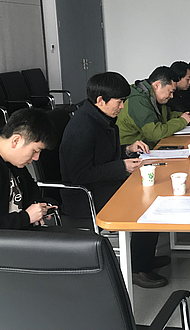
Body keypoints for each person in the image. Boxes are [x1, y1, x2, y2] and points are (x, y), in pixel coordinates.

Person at [60, 72, 169, 289]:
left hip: (101, 184)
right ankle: (138, 268)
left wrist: (127, 149)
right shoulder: (83, 127)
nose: (122, 106)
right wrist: (121, 167)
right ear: (101, 100)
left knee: (150, 190)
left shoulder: (101, 119)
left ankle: (144, 257)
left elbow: (102, 155)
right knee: (146, 200)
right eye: (119, 101)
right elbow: (79, 176)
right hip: (84, 196)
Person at [117, 66, 190, 148]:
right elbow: (154, 134)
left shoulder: (154, 97)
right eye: (170, 91)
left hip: (151, 146)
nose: (172, 96)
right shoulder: (137, 101)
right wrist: (182, 121)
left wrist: (185, 116)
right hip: (135, 151)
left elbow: (166, 117)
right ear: (157, 85)